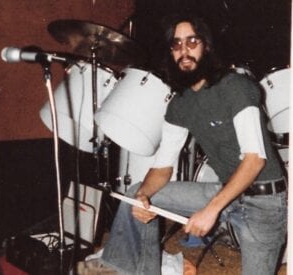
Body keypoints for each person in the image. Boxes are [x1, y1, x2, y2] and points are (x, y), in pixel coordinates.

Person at [78, 13, 287, 275]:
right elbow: (163, 167)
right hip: (226, 192)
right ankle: (128, 269)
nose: (183, 51)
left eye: (192, 42)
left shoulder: (235, 87)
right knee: (135, 196)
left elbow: (255, 159)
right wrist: (144, 196)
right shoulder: (179, 105)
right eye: (176, 45)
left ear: (207, 47)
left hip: (263, 203)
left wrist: (210, 211)